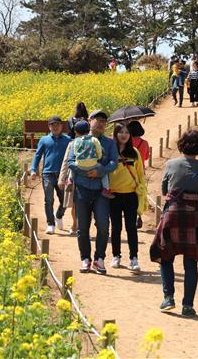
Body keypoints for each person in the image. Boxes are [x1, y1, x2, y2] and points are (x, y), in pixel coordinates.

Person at [150, 130, 198, 318]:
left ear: (181, 145)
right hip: (194, 216)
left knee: (165, 256)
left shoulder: (171, 164)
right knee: (191, 260)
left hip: (172, 215)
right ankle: (188, 305)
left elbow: (164, 189)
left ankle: (168, 298)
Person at [67, 109, 118, 274]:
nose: (101, 123)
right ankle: (85, 259)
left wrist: (100, 171)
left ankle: (99, 258)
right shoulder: (78, 140)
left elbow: (114, 163)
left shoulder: (110, 143)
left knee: (103, 225)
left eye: (104, 121)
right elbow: (71, 161)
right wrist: (86, 171)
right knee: (82, 227)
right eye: (98, 120)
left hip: (100, 191)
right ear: (90, 121)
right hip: (82, 188)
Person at [109, 123, 146, 271]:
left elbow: (140, 174)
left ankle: (134, 258)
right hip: (114, 195)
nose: (124, 135)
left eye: (126, 132)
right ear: (115, 134)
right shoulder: (111, 151)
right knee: (116, 227)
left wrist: (142, 190)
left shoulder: (135, 152)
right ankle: (116, 256)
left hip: (131, 195)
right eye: (120, 132)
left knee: (131, 228)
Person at [30, 116, 72, 235]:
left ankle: (58, 215)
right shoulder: (44, 140)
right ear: (49, 127)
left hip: (62, 175)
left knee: (64, 200)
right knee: (48, 200)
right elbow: (37, 155)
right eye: (53, 125)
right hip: (47, 174)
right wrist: (33, 170)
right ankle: (50, 224)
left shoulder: (68, 140)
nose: (55, 127)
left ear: (61, 126)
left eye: (57, 124)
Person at [70, 120, 114, 199]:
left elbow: (74, 154)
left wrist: (80, 158)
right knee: (103, 170)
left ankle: (70, 180)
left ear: (76, 132)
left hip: (80, 164)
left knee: (72, 167)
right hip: (93, 164)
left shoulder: (76, 141)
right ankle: (106, 188)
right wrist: (98, 158)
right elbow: (99, 152)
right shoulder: (94, 139)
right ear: (89, 128)